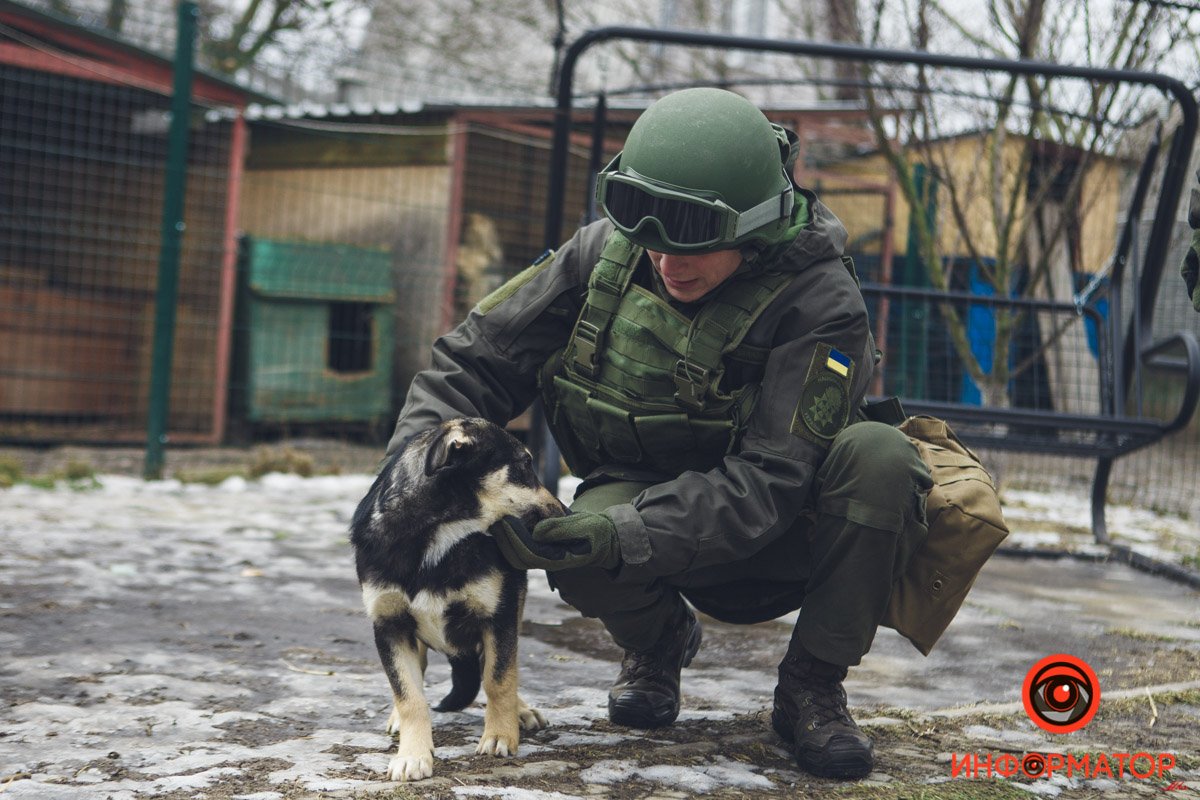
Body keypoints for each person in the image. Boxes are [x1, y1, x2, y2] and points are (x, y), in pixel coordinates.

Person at [386, 87, 933, 781]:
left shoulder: (823, 305)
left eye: (697, 242)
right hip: (653, 513)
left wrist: (621, 536)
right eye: (652, 239)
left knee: (881, 456)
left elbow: (770, 481)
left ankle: (811, 691)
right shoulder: (604, 257)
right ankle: (659, 643)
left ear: (756, 226)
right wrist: (412, 479)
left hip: (789, 538)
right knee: (572, 529)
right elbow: (474, 360)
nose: (668, 263)